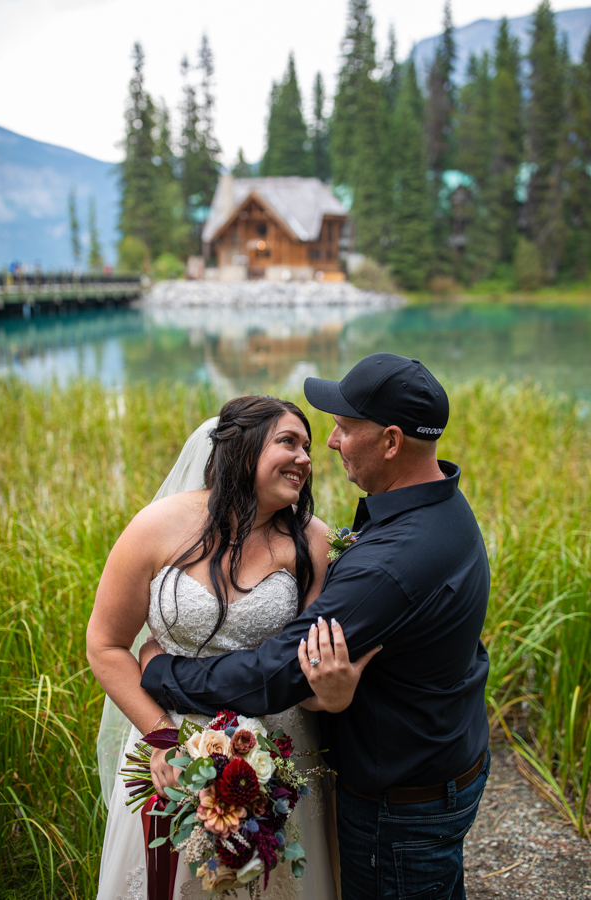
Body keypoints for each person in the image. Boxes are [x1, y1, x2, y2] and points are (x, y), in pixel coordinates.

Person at [140, 353, 491, 900]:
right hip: (442, 763)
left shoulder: (393, 561)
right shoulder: (441, 505)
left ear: (393, 441)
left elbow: (279, 669)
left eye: (344, 429)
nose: (328, 444)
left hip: (401, 806)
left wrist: (164, 674)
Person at [87, 395, 368, 900]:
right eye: (289, 442)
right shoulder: (155, 528)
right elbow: (105, 646)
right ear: (241, 449)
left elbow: (310, 669)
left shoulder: (314, 542)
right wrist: (161, 737)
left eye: (307, 446)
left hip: (282, 751)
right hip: (171, 743)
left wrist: (332, 692)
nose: (306, 457)